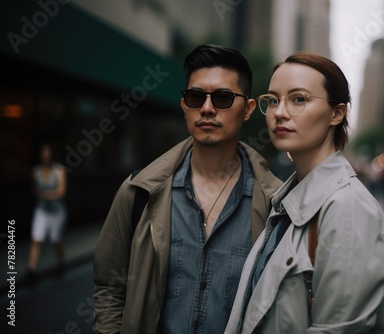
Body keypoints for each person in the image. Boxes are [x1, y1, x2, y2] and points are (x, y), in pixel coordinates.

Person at [92, 44, 282, 334]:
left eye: (223, 97)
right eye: (196, 97)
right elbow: (109, 286)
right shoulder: (139, 192)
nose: (207, 108)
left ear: (247, 109)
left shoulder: (275, 205)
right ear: (184, 106)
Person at [225, 52, 384, 333]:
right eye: (273, 100)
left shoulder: (347, 208)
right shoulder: (288, 200)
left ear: (337, 114)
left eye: (298, 99)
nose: (279, 112)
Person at [28, 144, 67, 279]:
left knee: (56, 240)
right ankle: (32, 270)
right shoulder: (35, 171)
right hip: (41, 210)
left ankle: (60, 265)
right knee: (36, 239)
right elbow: (34, 189)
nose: (45, 157)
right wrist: (47, 194)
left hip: (56, 211)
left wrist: (45, 194)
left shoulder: (59, 171)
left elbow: (61, 192)